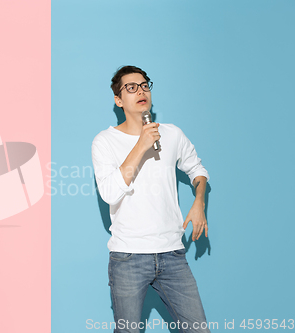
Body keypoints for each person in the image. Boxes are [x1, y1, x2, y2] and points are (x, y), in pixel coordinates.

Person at [91, 66, 210, 333]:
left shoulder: (172, 133)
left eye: (144, 85)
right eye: (131, 87)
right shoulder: (105, 141)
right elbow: (109, 193)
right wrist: (141, 144)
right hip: (128, 257)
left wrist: (199, 201)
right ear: (118, 100)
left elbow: (198, 170)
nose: (140, 91)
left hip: (172, 254)